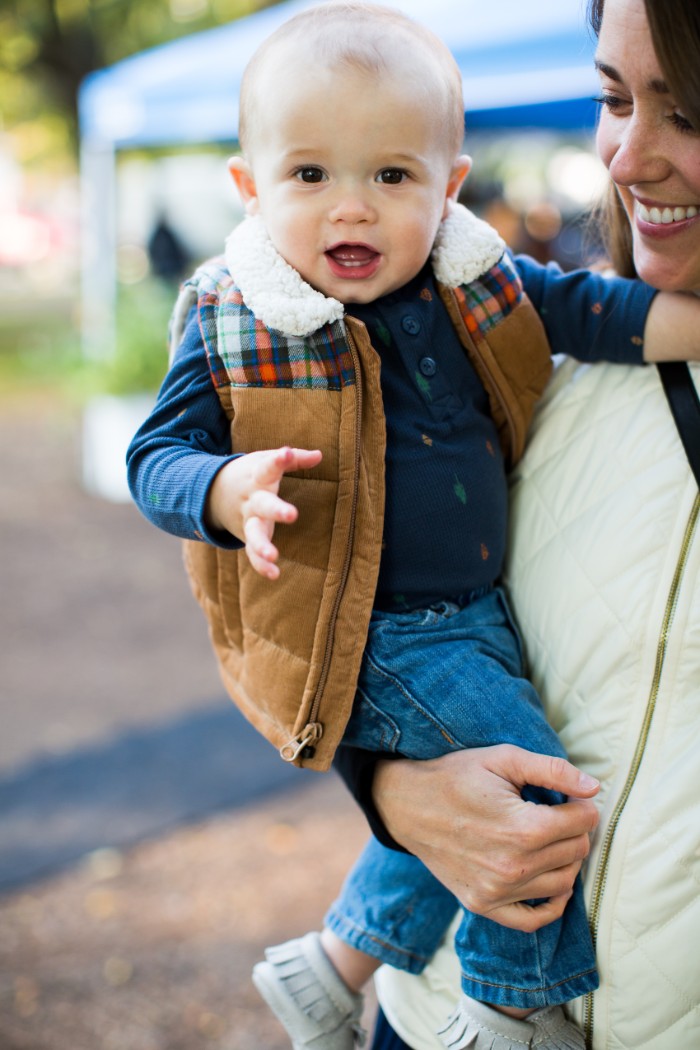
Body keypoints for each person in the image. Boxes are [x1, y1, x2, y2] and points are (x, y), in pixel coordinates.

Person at [125, 4, 700, 1049]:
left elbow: (599, 311)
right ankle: (512, 1000)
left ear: (448, 186)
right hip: (388, 636)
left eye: (391, 177)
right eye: (310, 177)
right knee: (526, 780)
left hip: (469, 620)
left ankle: (333, 961)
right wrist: (225, 491)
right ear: (249, 191)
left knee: (495, 774)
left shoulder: (479, 293)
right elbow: (154, 460)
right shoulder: (240, 318)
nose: (352, 209)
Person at [357, 0, 700, 1047]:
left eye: (684, 110)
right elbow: (355, 602)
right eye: (610, 96)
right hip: (438, 1019)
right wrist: (389, 792)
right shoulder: (531, 354)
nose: (625, 155)